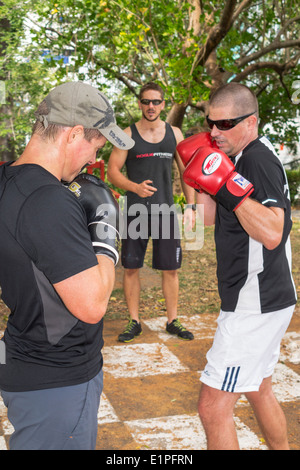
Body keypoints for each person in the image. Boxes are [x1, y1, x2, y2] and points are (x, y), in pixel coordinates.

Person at [0, 81, 134, 450]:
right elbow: (91, 306)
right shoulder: (48, 201)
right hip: (57, 377)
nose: (93, 160)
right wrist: (106, 237)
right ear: (74, 133)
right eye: (94, 146)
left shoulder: (7, 181)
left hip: (25, 359)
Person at [177, 82, 297, 450]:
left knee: (213, 407)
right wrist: (195, 173)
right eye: (212, 123)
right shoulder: (236, 160)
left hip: (255, 302)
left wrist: (227, 184)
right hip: (262, 296)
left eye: (226, 124)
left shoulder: (258, 160)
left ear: (251, 122)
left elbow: (273, 231)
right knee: (259, 388)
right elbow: (210, 216)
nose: (215, 132)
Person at [107, 82, 195, 342]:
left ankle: (172, 320)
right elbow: (113, 171)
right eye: (146, 102)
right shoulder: (127, 134)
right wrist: (134, 186)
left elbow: (186, 171)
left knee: (171, 269)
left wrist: (190, 206)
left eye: (156, 102)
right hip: (135, 212)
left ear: (163, 104)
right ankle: (134, 321)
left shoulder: (175, 134)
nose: (151, 106)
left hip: (166, 211)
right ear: (140, 103)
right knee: (131, 267)